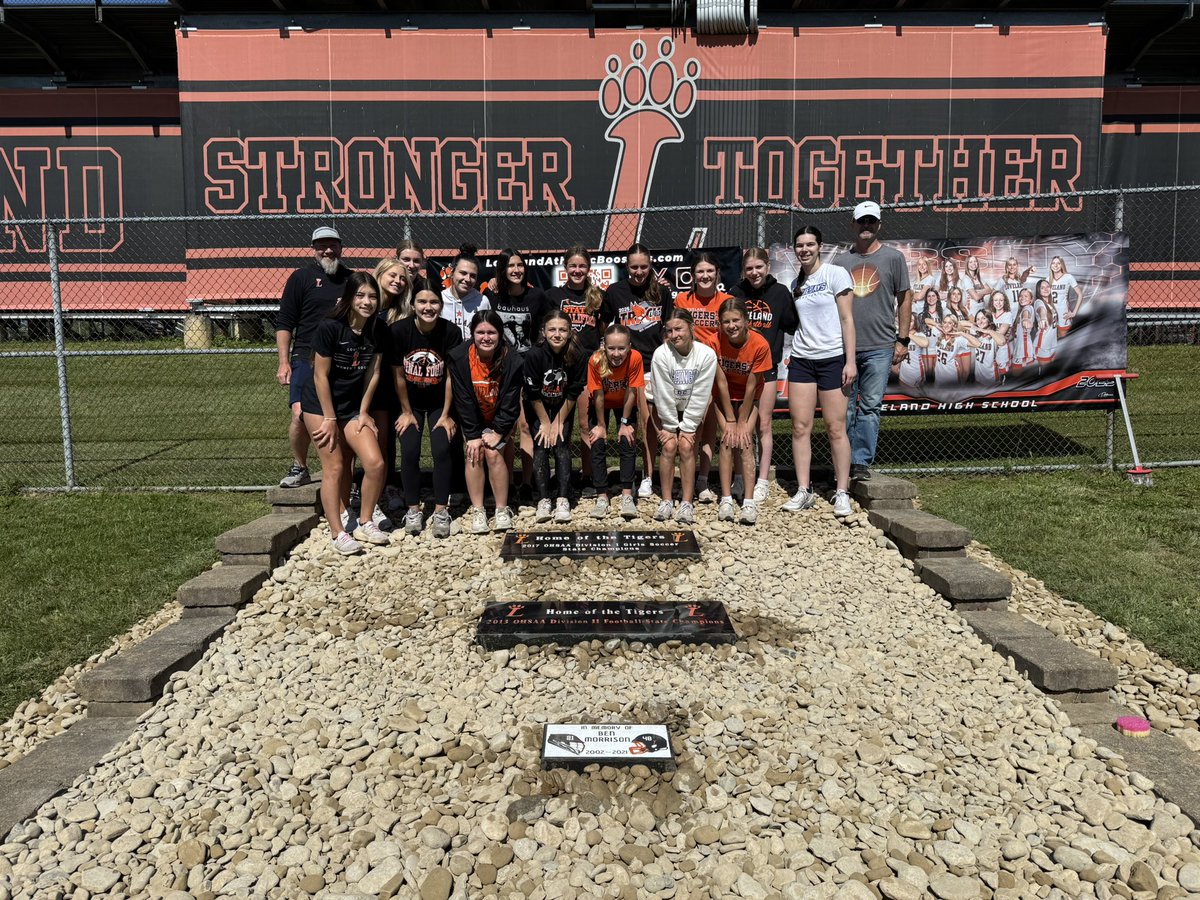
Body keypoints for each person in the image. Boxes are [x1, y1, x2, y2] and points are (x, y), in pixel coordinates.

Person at [299, 272, 389, 555]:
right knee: (335, 466)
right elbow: (320, 376)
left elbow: (373, 372)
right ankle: (337, 532)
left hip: (352, 407)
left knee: (375, 463)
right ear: (349, 298)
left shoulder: (378, 329)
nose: (367, 302)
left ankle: (364, 521)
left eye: (372, 296)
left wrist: (363, 412)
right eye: (361, 296)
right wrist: (328, 419)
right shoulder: (330, 327)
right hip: (320, 405)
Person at [835, 201, 911, 482]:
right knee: (846, 407)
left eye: (871, 221)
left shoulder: (893, 258)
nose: (866, 226)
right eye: (861, 221)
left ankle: (860, 462)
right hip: (845, 348)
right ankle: (843, 460)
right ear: (853, 224)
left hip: (880, 346)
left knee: (869, 406)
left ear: (878, 224)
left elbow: (904, 299)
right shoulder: (841, 262)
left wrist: (902, 339)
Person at [784, 225, 856, 519]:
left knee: (835, 428)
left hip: (832, 360)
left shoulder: (835, 274)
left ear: (820, 246)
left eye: (810, 244)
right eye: (799, 245)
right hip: (802, 359)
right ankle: (804, 491)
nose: (804, 249)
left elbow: (847, 319)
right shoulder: (795, 284)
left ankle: (842, 492)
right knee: (800, 427)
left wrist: (849, 361)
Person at [276, 225, 353, 488]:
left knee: (342, 418)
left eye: (333, 245)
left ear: (341, 247)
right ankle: (300, 466)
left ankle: (344, 476)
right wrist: (284, 362)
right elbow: (285, 322)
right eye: (322, 245)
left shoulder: (351, 280)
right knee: (299, 415)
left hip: (340, 357)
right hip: (305, 357)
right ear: (313, 249)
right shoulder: (301, 278)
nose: (328, 250)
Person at [391, 289, 461, 539]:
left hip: (438, 404)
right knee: (409, 449)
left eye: (434, 302)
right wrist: (406, 411)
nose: (428, 307)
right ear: (413, 304)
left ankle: (441, 510)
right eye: (422, 301)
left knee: (442, 448)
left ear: (441, 305)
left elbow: (452, 377)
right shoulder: (400, 331)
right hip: (410, 403)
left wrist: (446, 414)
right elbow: (398, 375)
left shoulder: (450, 332)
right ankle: (413, 509)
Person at [603, 243, 672, 499]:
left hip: (656, 365)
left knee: (656, 423)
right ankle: (636, 477)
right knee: (637, 423)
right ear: (626, 266)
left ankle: (649, 475)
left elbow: (668, 328)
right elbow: (605, 324)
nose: (639, 271)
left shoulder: (661, 292)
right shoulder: (615, 292)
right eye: (634, 266)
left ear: (650, 265)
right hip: (630, 366)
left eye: (644, 266)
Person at [731, 247, 798, 504]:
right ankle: (739, 476)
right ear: (743, 271)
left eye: (759, 267)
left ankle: (761, 480)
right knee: (738, 423)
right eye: (749, 268)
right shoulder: (735, 294)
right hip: (739, 369)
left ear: (767, 267)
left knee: (764, 424)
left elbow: (791, 323)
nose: (754, 272)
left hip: (768, 368)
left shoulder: (780, 293)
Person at [650, 309, 729, 524]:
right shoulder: (661, 354)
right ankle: (666, 500)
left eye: (679, 329)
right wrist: (669, 426)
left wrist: (688, 427)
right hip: (667, 407)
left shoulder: (705, 355)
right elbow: (662, 393)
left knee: (686, 446)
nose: (674, 335)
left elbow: (701, 393)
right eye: (670, 331)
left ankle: (687, 501)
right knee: (668, 446)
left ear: (691, 327)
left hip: (692, 407)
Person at [449, 310, 523, 533]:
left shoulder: (513, 359)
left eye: (491, 332)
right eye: (480, 332)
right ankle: (478, 509)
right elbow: (462, 399)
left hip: (500, 417)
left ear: (500, 334)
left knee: (492, 452)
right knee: (474, 451)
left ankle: (501, 509)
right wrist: (472, 435)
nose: (486, 337)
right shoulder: (459, 357)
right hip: (474, 415)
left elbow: (511, 401)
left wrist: (499, 431)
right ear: (472, 334)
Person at [484, 248, 548, 501]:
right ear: (502, 269)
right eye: (510, 266)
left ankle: (527, 481)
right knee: (506, 425)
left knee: (525, 425)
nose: (516, 270)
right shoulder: (492, 295)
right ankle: (507, 480)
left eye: (520, 265)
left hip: (528, 366)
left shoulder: (537, 296)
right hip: (501, 368)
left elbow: (544, 330)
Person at [545, 245, 608, 491]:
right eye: (573, 266)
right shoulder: (553, 295)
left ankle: (588, 475)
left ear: (589, 269)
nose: (577, 270)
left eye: (582, 266)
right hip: (561, 366)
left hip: (588, 367)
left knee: (584, 423)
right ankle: (561, 475)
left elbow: (602, 330)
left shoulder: (597, 296)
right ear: (565, 268)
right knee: (559, 421)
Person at [674, 252, 733, 500]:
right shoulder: (683, 299)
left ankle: (703, 480)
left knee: (710, 426)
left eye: (710, 271)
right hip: (688, 369)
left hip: (717, 369)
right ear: (693, 275)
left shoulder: (727, 300)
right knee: (689, 427)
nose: (705, 276)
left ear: (717, 273)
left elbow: (731, 333)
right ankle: (686, 476)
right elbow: (678, 332)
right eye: (700, 271)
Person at [711, 298, 773, 526]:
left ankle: (748, 501)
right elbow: (721, 383)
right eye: (726, 321)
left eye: (736, 320)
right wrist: (729, 419)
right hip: (723, 396)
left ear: (746, 321)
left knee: (745, 441)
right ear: (720, 324)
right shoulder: (713, 341)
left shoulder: (759, 344)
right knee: (727, 440)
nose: (731, 326)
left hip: (750, 397)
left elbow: (751, 386)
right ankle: (726, 499)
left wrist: (742, 420)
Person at [523, 310, 587, 523]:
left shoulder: (577, 353)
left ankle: (562, 498)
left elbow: (574, 390)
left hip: (563, 405)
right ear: (543, 331)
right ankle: (543, 499)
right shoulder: (534, 354)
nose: (557, 334)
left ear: (570, 332)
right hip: (538, 406)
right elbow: (531, 393)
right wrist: (545, 422)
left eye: (562, 330)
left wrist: (557, 421)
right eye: (552, 329)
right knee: (540, 446)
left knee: (561, 446)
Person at [585, 323, 644, 521]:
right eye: (611, 348)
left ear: (629, 346)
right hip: (602, 402)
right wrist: (602, 426)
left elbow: (632, 390)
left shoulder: (635, 358)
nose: (616, 353)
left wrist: (625, 422)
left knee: (628, 439)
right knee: (597, 441)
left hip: (624, 401)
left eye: (621, 348)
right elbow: (598, 395)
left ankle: (627, 493)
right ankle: (602, 495)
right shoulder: (596, 360)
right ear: (604, 346)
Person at [371, 257, 413, 516]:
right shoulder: (366, 303)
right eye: (393, 276)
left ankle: (388, 485)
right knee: (370, 435)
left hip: (392, 379)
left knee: (388, 437)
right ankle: (366, 489)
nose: (397, 282)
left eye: (402, 279)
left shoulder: (402, 311)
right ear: (380, 274)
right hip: (363, 378)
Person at [441, 244, 490, 339]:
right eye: (463, 273)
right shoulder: (440, 299)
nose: (467, 279)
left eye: (472, 276)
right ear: (451, 273)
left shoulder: (482, 302)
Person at [963, 310, 1008, 388]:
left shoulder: (995, 335)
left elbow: (1002, 341)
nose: (980, 321)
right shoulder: (977, 333)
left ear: (989, 319)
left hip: (992, 378)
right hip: (978, 378)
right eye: (978, 319)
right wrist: (974, 325)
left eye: (983, 318)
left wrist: (986, 331)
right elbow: (959, 324)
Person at [1047, 256, 1082, 338]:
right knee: (1053, 343)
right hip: (1051, 316)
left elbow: (1080, 294)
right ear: (1051, 265)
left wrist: (1074, 312)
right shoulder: (1048, 279)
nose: (1055, 265)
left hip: (1064, 315)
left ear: (1062, 265)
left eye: (1058, 263)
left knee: (1064, 341)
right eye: (1053, 263)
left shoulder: (1068, 277)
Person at [932, 314, 971, 387]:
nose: (946, 325)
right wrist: (937, 326)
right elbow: (927, 321)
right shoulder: (939, 334)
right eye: (945, 322)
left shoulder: (958, 339)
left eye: (950, 323)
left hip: (950, 376)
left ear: (954, 325)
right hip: (938, 376)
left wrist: (961, 333)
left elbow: (977, 344)